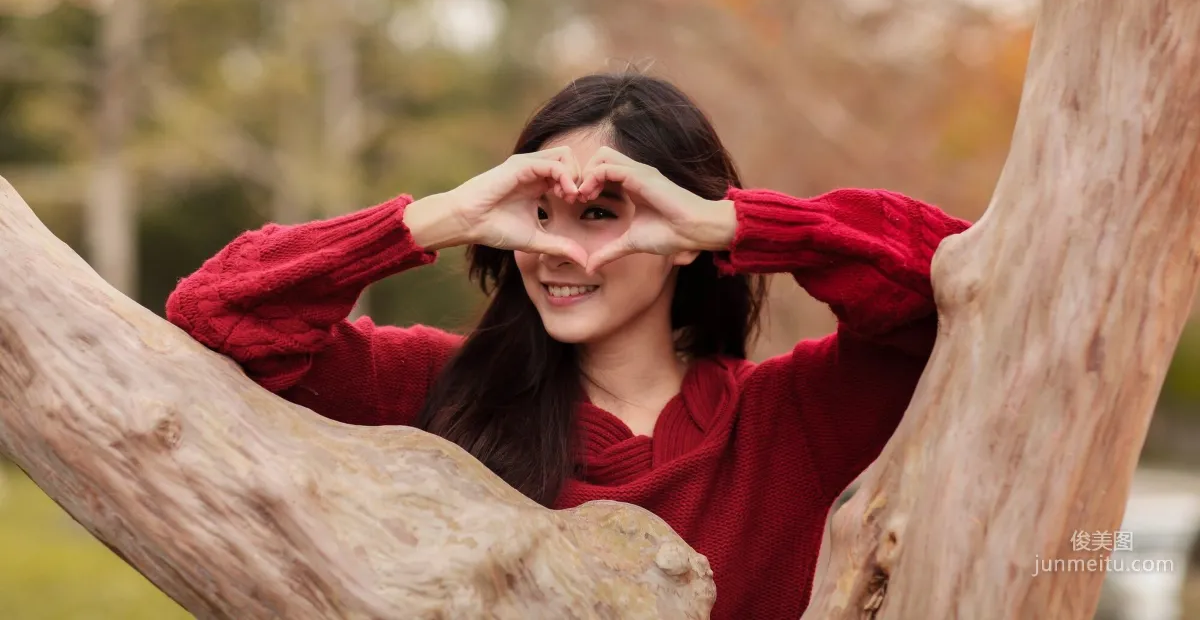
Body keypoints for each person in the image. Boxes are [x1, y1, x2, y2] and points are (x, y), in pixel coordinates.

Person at [166, 72, 970, 620]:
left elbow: (955, 278)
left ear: (679, 229)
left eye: (601, 213)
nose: (558, 250)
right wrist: (440, 217)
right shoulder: (430, 390)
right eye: (540, 213)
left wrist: (730, 224)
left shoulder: (793, 416)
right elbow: (217, 311)